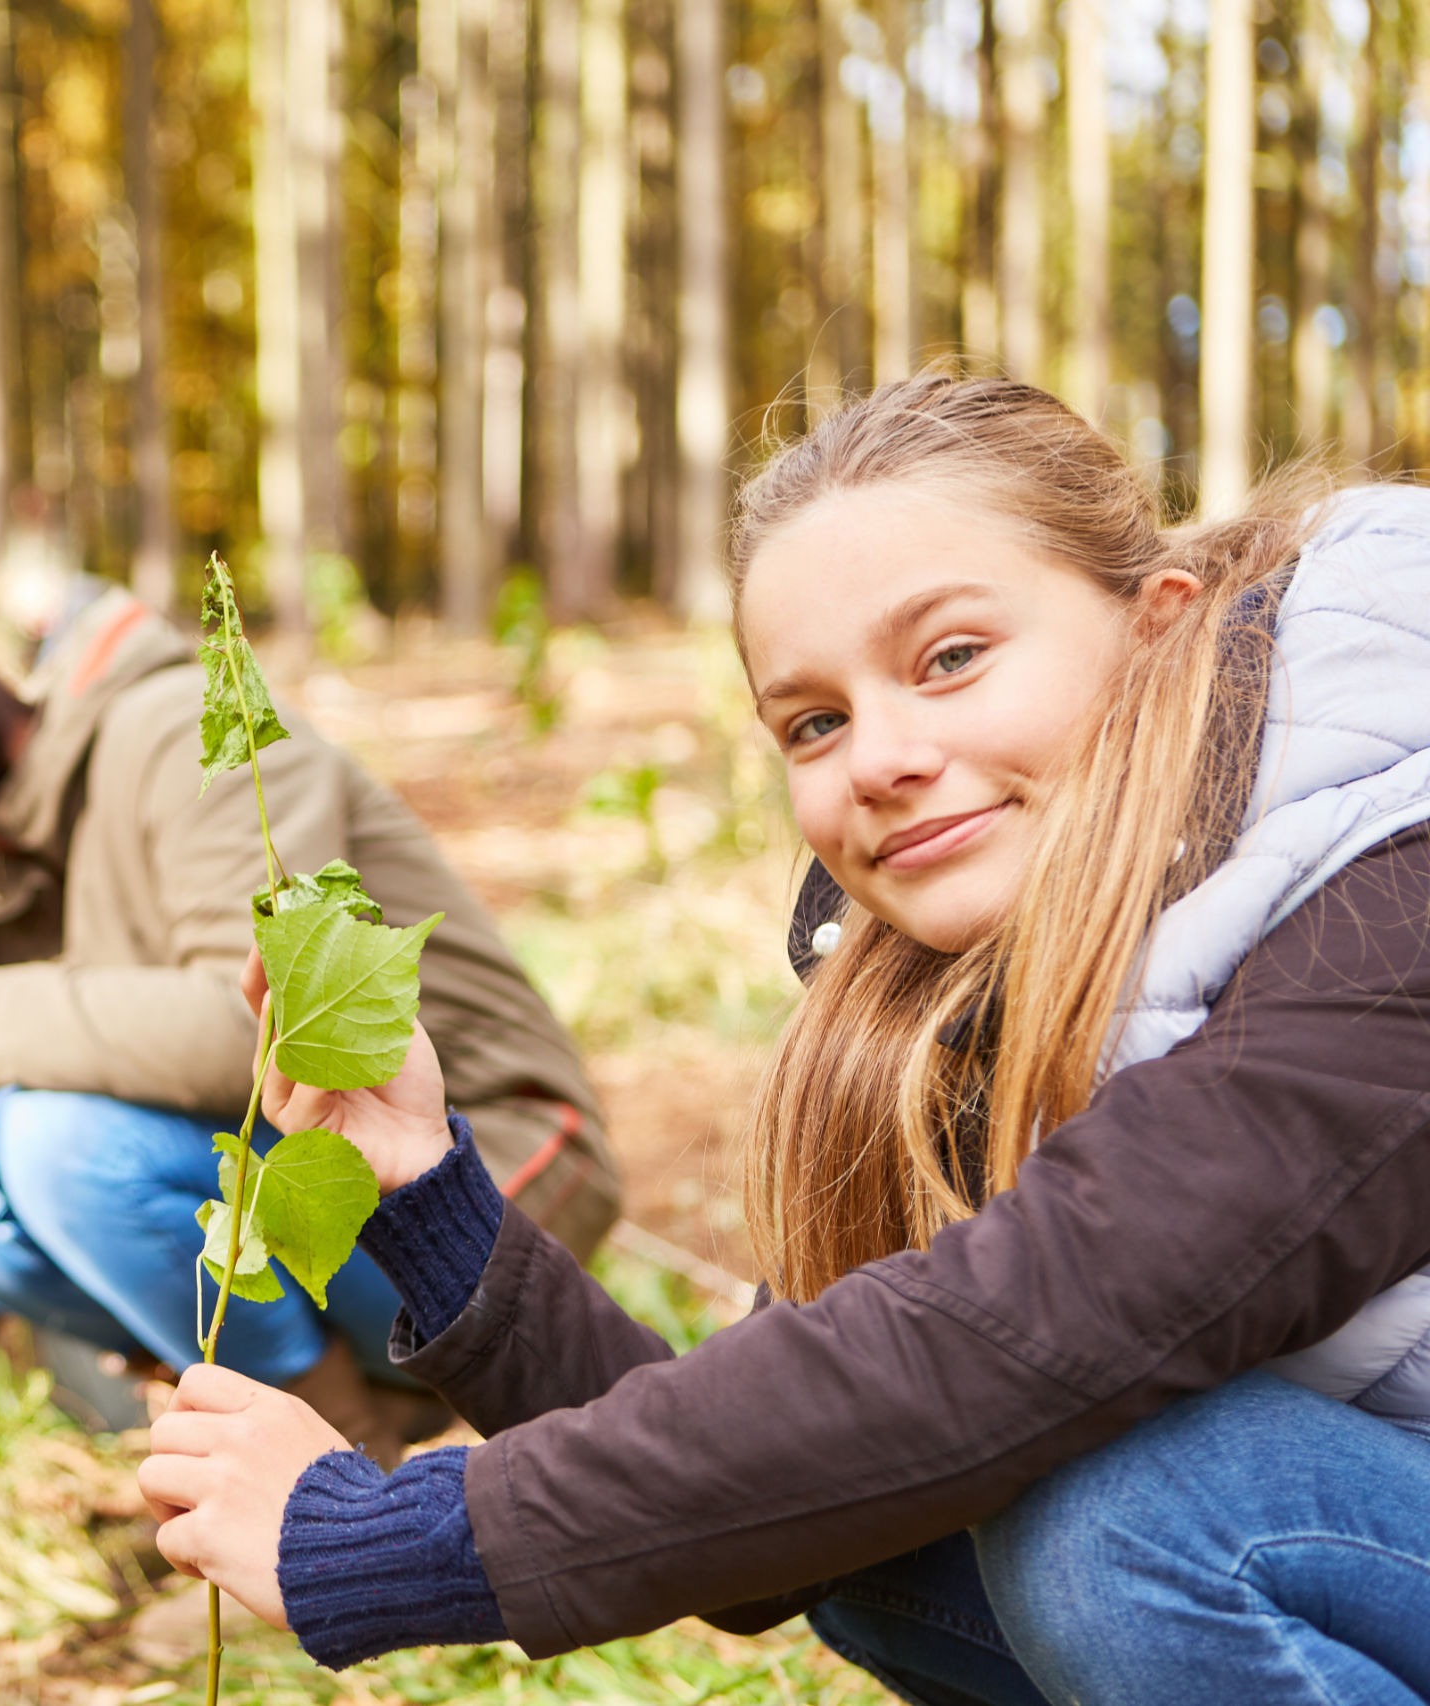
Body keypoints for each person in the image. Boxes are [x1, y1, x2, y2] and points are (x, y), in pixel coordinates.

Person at [137, 374, 1430, 1705]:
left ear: (1161, 629)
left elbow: (1046, 1316)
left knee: (1135, 1509)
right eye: (815, 720)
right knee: (854, 1513)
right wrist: (424, 1187)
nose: (879, 757)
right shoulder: (952, 1000)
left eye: (951, 656)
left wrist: (394, 1539)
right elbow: (767, 1525)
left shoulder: (1394, 859)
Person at [0, 575, 621, 1469]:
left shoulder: (183, 728)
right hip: (321, 1202)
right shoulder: (6, 855)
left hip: (488, 1181)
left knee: (60, 1147)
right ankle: (322, 1457)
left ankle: (326, 1491)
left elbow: (271, 1033)